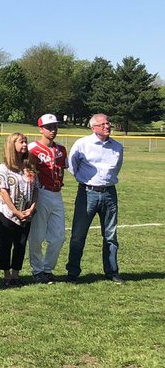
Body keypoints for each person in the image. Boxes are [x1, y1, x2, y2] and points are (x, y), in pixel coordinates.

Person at [65, 113, 124, 283]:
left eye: (108, 123)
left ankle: (112, 271)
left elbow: (116, 168)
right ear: (93, 128)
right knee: (78, 235)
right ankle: (73, 272)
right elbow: (72, 166)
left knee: (110, 235)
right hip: (87, 193)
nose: (107, 126)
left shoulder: (117, 147)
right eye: (103, 124)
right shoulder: (82, 144)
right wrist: (85, 180)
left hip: (109, 193)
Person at [27, 114, 68, 284]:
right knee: (37, 235)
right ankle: (37, 270)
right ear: (41, 129)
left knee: (59, 236)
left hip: (57, 193)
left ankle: (48, 269)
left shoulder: (61, 149)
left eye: (55, 127)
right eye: (49, 127)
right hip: (41, 193)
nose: (53, 130)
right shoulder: (32, 148)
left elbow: (64, 167)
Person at [0, 132, 39, 287]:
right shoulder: (4, 168)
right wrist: (15, 211)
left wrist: (31, 208)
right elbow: (3, 191)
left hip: (26, 214)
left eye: (26, 141)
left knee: (21, 244)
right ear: (12, 145)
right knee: (5, 244)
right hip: (7, 213)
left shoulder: (29, 167)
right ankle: (6, 275)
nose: (25, 145)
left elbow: (36, 189)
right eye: (21, 142)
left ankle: (16, 274)